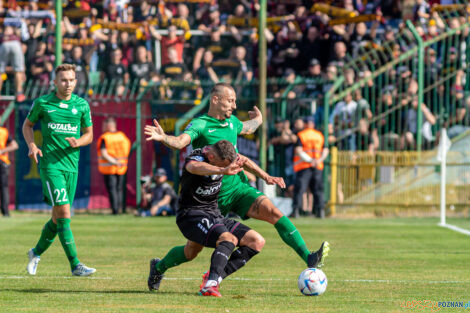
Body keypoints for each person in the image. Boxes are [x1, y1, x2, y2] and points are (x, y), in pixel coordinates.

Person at [145, 82, 330, 269]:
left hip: (238, 188)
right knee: (191, 251)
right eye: (230, 101)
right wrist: (164, 138)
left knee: (274, 212)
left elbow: (248, 128)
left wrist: (259, 119)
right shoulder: (201, 124)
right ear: (215, 99)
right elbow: (179, 142)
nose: (234, 106)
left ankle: (309, 257)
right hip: (211, 199)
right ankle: (159, 267)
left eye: (235, 101)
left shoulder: (232, 122)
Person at [147, 140, 265, 297]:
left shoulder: (225, 157)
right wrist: (223, 169)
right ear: (210, 156)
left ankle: (160, 267)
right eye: (223, 164)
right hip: (191, 215)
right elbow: (193, 168)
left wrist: (266, 176)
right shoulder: (197, 157)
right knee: (228, 239)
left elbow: (245, 161)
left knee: (256, 241)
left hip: (214, 213)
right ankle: (210, 284)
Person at [22, 63, 96, 276]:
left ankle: (35, 253)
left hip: (71, 168)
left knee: (58, 218)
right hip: (51, 165)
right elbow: (27, 125)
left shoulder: (81, 105)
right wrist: (32, 145)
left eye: (72, 79)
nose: (68, 84)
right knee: (64, 213)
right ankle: (75, 265)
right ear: (54, 82)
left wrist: (79, 142)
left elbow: (89, 134)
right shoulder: (43, 103)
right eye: (64, 80)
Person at [292, 117, 329, 218]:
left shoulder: (301, 135)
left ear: (305, 124)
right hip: (318, 166)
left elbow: (299, 150)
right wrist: (318, 160)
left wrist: (310, 160)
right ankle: (320, 211)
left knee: (300, 189)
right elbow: (325, 150)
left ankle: (296, 211)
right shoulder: (319, 135)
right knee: (318, 190)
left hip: (304, 166)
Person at [96, 117, 131, 215]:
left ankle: (115, 210)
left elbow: (104, 153)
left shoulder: (105, 137)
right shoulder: (122, 137)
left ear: (109, 125)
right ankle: (120, 209)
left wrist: (115, 162)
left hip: (109, 168)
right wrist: (120, 162)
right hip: (122, 167)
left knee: (112, 189)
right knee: (119, 189)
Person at [0, 126, 18, 217]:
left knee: (3, 187)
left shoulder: (3, 132)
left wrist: (2, 150)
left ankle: (5, 211)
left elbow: (15, 145)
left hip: (2, 161)